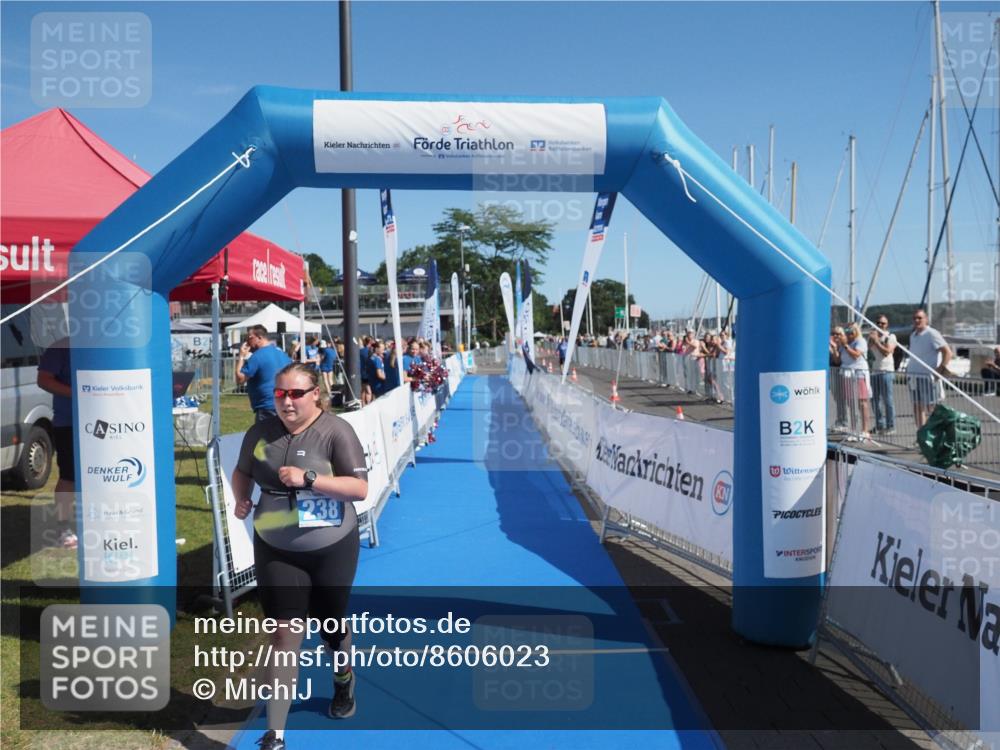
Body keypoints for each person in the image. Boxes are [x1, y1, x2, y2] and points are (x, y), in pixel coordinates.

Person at [232, 363, 369, 750]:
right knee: (283, 635)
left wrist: (311, 479)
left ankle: (343, 679)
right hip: (276, 547)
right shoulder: (261, 433)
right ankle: (275, 734)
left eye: (295, 394)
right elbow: (243, 470)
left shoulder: (336, 432)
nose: (286, 402)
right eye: (280, 394)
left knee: (332, 627)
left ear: (315, 395)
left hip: (331, 547)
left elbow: (359, 488)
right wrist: (241, 497)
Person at [37, 337, 77, 548]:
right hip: (69, 422)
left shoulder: (111, 343)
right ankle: (64, 528)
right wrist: (79, 394)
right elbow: (44, 379)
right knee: (69, 476)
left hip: (108, 421)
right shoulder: (62, 347)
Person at [906, 309, 952, 429]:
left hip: (928, 377)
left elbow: (947, 352)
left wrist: (940, 369)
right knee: (917, 406)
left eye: (920, 318)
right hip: (914, 377)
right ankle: (922, 434)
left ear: (926, 319)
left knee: (932, 408)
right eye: (915, 318)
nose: (917, 320)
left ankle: (935, 436)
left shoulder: (932, 333)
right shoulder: (913, 335)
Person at [236, 325, 293, 422]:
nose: (247, 341)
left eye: (249, 338)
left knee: (265, 436)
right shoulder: (282, 354)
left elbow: (240, 379)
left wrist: (241, 356)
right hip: (285, 403)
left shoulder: (257, 356)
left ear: (259, 338)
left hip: (267, 407)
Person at [833, 323, 873, 441]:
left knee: (862, 402)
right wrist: (836, 348)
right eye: (847, 332)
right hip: (847, 374)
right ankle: (853, 430)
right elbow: (837, 360)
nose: (849, 334)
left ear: (856, 331)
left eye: (851, 331)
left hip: (859, 373)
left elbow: (856, 355)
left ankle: (865, 431)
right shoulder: (844, 343)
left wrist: (845, 345)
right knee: (850, 403)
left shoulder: (860, 341)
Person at [868, 316, 897, 435]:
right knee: (874, 400)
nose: (880, 325)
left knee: (888, 400)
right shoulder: (873, 336)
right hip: (874, 371)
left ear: (887, 325)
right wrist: (871, 339)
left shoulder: (891, 336)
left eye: (883, 323)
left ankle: (891, 426)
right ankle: (879, 425)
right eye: (878, 323)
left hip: (886, 371)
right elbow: (867, 350)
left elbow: (886, 352)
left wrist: (877, 341)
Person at [828, 326, 848, 430]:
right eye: (833, 333)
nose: (835, 336)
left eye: (838, 334)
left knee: (842, 398)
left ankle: (844, 421)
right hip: (833, 372)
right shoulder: (832, 345)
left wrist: (834, 348)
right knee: (837, 398)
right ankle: (840, 419)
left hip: (840, 372)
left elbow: (837, 361)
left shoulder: (842, 346)